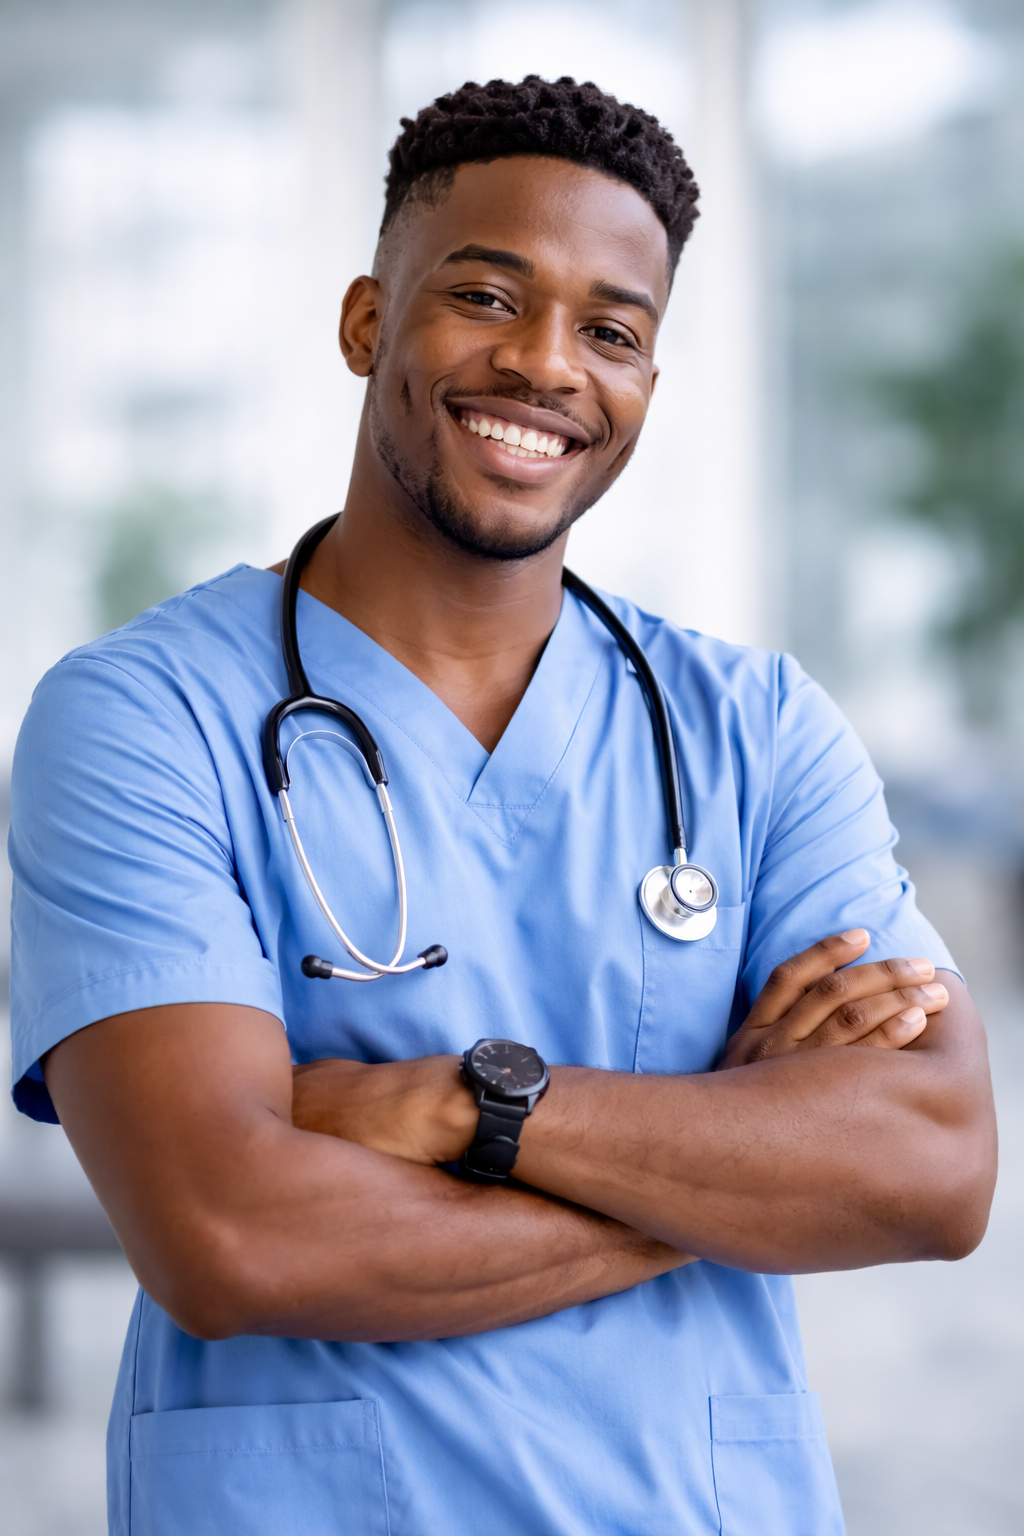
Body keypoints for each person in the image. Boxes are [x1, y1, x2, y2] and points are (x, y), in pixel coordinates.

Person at [8, 76, 996, 1536]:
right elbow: (228, 1232)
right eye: (486, 295)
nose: (546, 365)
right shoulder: (143, 719)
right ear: (365, 323)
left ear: (649, 385)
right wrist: (730, 1165)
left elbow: (932, 1165)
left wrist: (456, 1108)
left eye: (613, 331)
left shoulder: (756, 731)